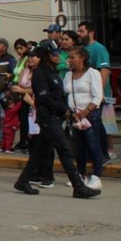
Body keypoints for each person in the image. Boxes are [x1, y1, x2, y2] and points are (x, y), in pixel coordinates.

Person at [12, 43, 101, 200]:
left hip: (56, 117)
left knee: (40, 151)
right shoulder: (40, 73)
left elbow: (58, 97)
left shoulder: (53, 72)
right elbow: (44, 98)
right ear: (46, 55)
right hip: (48, 118)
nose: (58, 56)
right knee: (65, 150)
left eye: (58, 52)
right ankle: (78, 187)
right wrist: (65, 110)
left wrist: (66, 110)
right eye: (54, 53)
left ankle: (22, 181)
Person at [64, 46, 104, 190]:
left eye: (72, 57)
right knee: (78, 147)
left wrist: (86, 111)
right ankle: (81, 174)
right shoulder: (68, 75)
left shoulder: (92, 73)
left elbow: (98, 95)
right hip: (75, 116)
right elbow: (66, 93)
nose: (70, 60)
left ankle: (96, 176)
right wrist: (70, 111)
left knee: (93, 145)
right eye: (69, 57)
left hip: (90, 115)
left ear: (82, 58)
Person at [77, 21, 116, 160]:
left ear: (91, 33)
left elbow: (104, 71)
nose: (79, 34)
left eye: (82, 31)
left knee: (106, 125)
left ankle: (109, 150)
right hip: (88, 96)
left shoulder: (99, 49)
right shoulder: (82, 49)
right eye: (78, 31)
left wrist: (98, 94)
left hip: (101, 95)